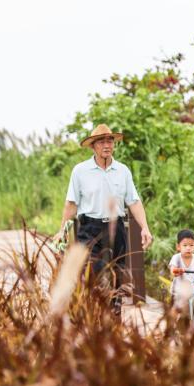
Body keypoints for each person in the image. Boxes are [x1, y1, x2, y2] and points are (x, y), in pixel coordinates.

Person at [58, 124, 153, 317]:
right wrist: (62, 230)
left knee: (118, 272)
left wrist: (144, 227)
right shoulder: (80, 171)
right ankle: (96, 310)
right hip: (89, 229)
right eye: (101, 141)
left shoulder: (123, 171)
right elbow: (71, 203)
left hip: (115, 227)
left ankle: (114, 312)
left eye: (110, 140)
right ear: (93, 146)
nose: (106, 145)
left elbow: (133, 201)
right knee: (94, 272)